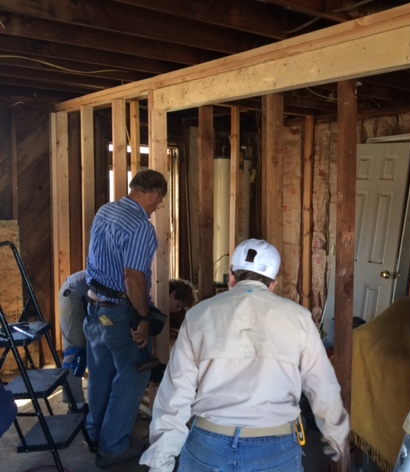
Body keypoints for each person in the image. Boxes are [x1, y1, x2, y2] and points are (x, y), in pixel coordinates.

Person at [140, 238, 350, 472]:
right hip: (274, 448)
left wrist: (161, 460)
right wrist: (336, 434)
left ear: (231, 278)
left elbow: (175, 392)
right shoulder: (299, 318)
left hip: (209, 445)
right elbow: (322, 384)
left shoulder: (199, 315)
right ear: (273, 284)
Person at [84, 168, 167, 468]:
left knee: (101, 374)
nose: (158, 206)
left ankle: (96, 434)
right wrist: (143, 318)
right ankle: (113, 447)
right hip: (120, 312)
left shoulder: (105, 211)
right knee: (134, 374)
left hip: (95, 307)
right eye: (159, 200)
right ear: (153, 194)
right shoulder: (141, 227)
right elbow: (133, 278)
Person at [59, 270, 90, 412]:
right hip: (74, 293)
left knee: (82, 350)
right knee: (76, 352)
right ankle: (76, 405)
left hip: (78, 290)